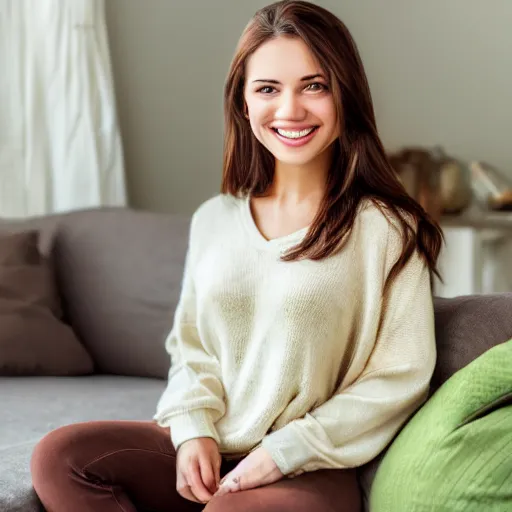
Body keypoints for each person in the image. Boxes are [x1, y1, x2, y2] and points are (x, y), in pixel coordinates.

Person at [30, 1, 443, 511]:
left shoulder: (386, 227)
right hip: (213, 454)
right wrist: (192, 429)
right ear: (243, 104)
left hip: (309, 467)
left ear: (346, 97)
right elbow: (193, 348)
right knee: (61, 455)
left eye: (314, 86)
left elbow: (399, 376)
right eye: (268, 88)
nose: (290, 109)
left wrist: (282, 451)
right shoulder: (214, 220)